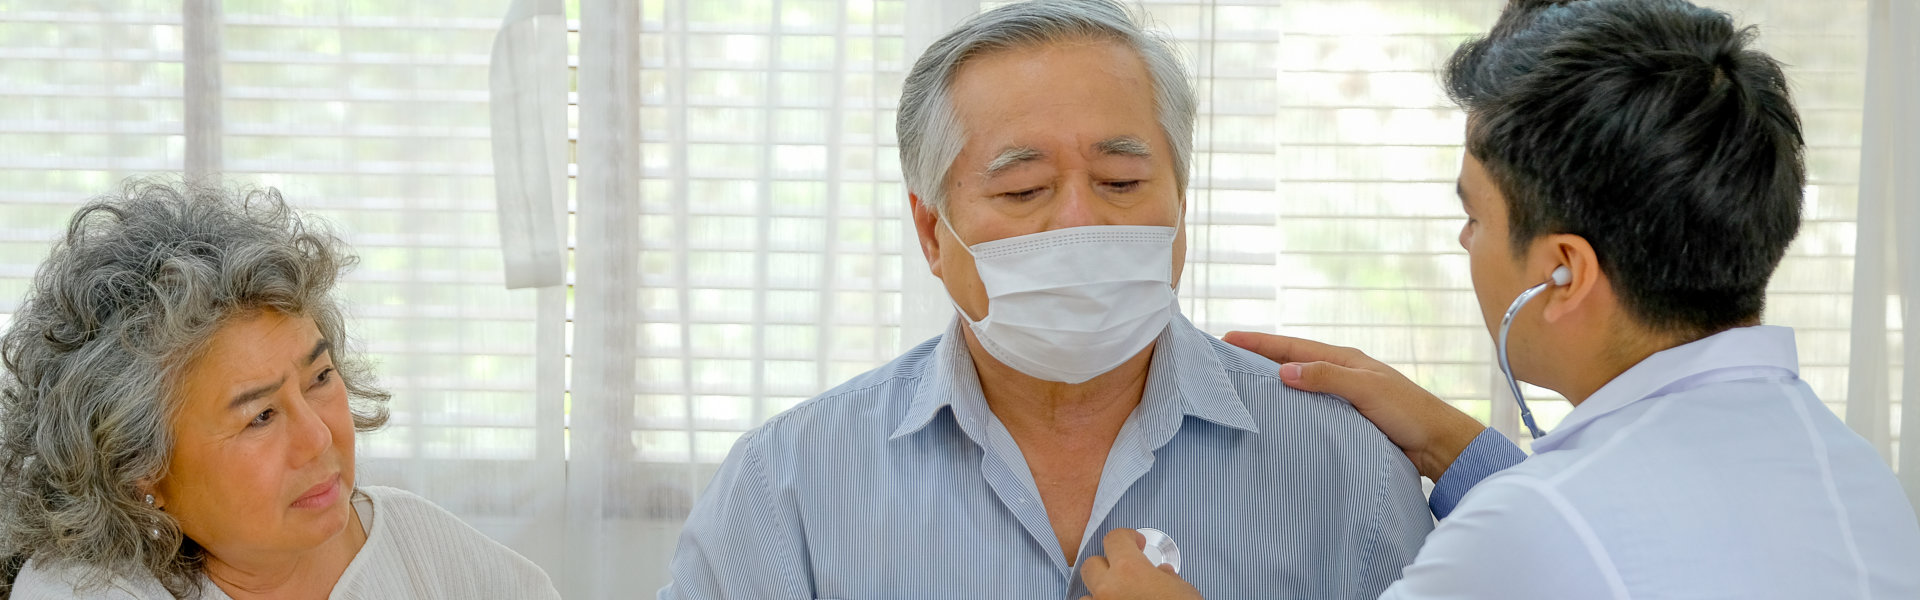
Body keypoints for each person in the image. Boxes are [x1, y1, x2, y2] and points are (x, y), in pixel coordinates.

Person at [1080, 0, 1920, 598]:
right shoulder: (1853, 478)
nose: (1464, 245)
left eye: (1473, 214)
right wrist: (1456, 447)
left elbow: (1566, 541)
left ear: (1563, 272)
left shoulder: (1532, 532)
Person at [657, 1, 1434, 598]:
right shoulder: (789, 482)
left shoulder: (1345, 467)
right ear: (932, 234)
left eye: (1122, 183)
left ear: (1182, 201)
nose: (1080, 223)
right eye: (1024, 188)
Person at [0, 179, 561, 599]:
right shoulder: (80, 589)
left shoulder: (426, 551)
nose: (319, 438)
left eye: (319, 378)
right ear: (140, 469)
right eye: (261, 416)